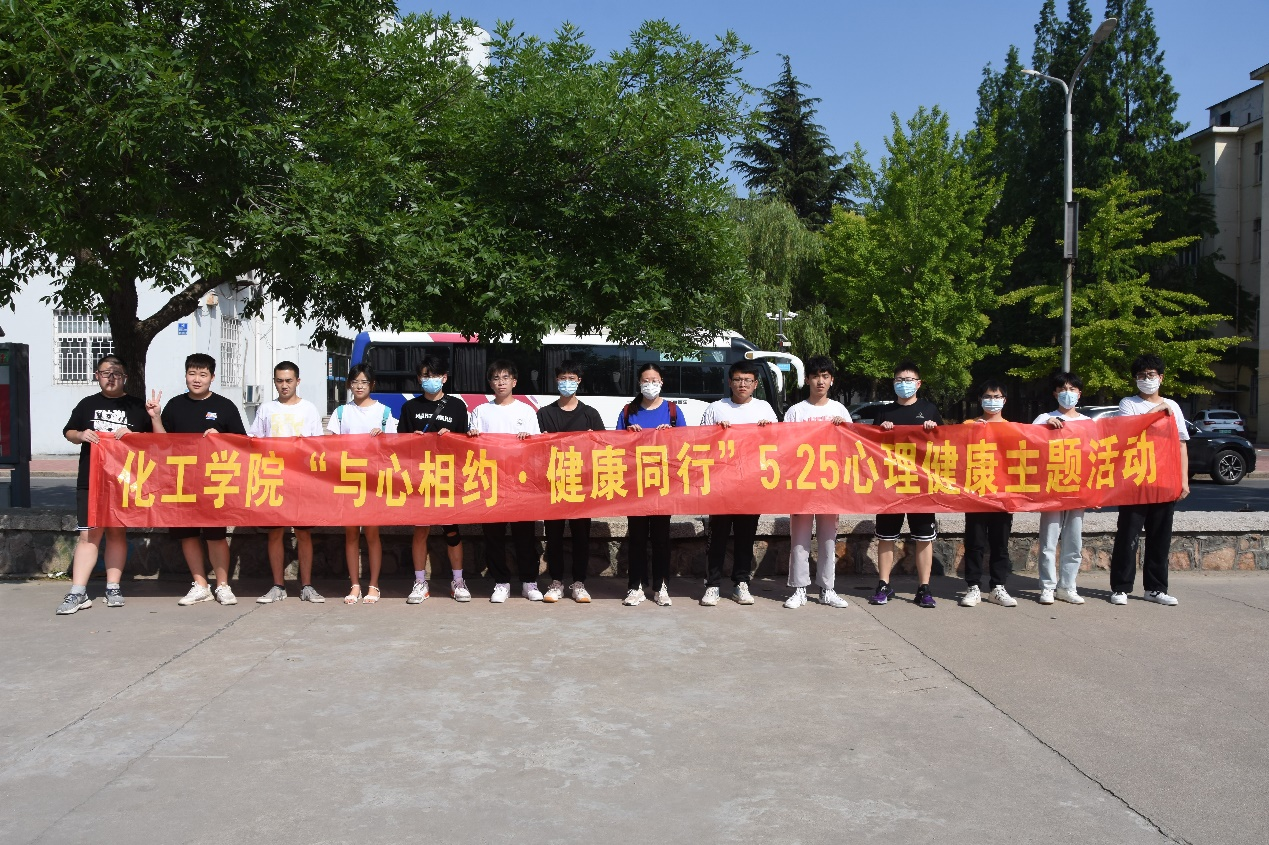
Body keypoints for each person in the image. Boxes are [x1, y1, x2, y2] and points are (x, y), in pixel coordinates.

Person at [56, 356, 165, 615]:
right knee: (89, 535)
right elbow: (69, 431)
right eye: (106, 373)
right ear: (97, 375)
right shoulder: (87, 404)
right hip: (91, 480)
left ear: (125, 377)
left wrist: (144, 427)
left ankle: (113, 587)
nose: (111, 377)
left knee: (117, 533)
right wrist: (81, 435)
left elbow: (160, 441)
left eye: (116, 373)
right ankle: (78, 592)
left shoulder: (137, 406)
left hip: (123, 482)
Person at [162, 353, 247, 607]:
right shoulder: (174, 406)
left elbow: (242, 442)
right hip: (182, 481)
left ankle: (223, 585)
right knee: (187, 535)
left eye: (202, 374)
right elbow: (160, 442)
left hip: (214, 482)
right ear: (186, 376)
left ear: (212, 377)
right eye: (192, 374)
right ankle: (200, 585)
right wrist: (155, 417)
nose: (196, 379)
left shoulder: (225, 406)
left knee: (215, 535)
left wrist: (221, 437)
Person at [1109, 354, 1190, 606]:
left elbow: (1181, 444)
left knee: (1160, 537)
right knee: (1128, 535)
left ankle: (1155, 588)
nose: (1146, 379)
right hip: (1135, 480)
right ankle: (1121, 587)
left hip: (1164, 479)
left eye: (1151, 374)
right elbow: (1129, 431)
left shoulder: (1173, 406)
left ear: (1161, 377)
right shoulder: (1128, 404)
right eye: (1141, 375)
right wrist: (1156, 411)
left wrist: (1184, 480)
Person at [700, 360, 777, 606]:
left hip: (751, 484)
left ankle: (741, 583)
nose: (742, 384)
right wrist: (715, 432)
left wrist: (768, 430)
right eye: (737, 379)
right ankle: (712, 585)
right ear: (730, 382)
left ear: (755, 384)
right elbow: (700, 443)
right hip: (721, 484)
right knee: (717, 537)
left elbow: (778, 443)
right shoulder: (716, 408)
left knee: (746, 537)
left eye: (747, 380)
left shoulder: (764, 409)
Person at [248, 361, 325, 605]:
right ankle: (278, 585)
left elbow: (319, 446)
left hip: (301, 480)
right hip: (273, 478)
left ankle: (307, 586)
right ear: (274, 382)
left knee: (303, 533)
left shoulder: (309, 409)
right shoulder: (266, 409)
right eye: (279, 380)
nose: (284, 385)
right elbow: (254, 442)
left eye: (289, 381)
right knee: (275, 533)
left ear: (297, 381)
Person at [398, 355, 472, 603]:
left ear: (445, 378)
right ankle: (420, 582)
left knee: (452, 532)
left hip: (448, 479)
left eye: (435, 375)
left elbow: (466, 446)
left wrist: (453, 437)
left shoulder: (457, 406)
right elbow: (399, 446)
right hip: (420, 480)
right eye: (425, 375)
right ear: (419, 379)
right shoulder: (410, 408)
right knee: (421, 531)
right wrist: (413, 439)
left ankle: (458, 581)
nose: (430, 379)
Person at [869, 361, 942, 609]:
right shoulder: (884, 412)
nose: (904, 384)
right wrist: (881, 431)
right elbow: (870, 447)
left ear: (918, 384)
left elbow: (946, 445)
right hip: (891, 485)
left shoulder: (929, 410)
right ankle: (883, 584)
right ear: (893, 383)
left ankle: (924, 588)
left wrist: (934, 431)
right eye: (899, 380)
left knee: (924, 537)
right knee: (886, 537)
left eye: (909, 380)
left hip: (921, 485)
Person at [468, 359, 541, 603]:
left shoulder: (526, 411)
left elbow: (537, 446)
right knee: (494, 535)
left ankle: (529, 582)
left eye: (506, 378)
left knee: (525, 535)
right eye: (496, 378)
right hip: (491, 482)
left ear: (514, 382)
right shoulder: (480, 411)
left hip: (521, 482)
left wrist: (527, 439)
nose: (501, 382)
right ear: (490, 383)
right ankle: (501, 583)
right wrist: (472, 436)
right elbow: (472, 447)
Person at [782, 356, 852, 609]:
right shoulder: (796, 411)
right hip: (801, 485)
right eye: (815, 376)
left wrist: (842, 429)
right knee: (799, 539)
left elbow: (852, 445)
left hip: (830, 485)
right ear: (807, 380)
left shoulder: (839, 410)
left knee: (828, 539)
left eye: (825, 376)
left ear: (831, 380)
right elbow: (783, 446)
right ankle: (799, 589)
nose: (820, 381)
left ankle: (827, 589)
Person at [325, 363, 397, 605]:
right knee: (351, 534)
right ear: (349, 384)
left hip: (374, 481)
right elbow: (329, 446)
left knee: (373, 533)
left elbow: (395, 447)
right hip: (348, 480)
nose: (359, 386)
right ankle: (354, 584)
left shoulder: (384, 412)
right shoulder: (341, 413)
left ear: (372, 385)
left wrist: (383, 438)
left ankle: (374, 585)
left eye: (364, 382)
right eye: (355, 382)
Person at [616, 362, 686, 607]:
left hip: (663, 485)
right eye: (646, 381)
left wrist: (671, 434)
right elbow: (615, 447)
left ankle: (660, 586)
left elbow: (685, 445)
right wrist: (628, 435)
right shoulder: (628, 411)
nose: (650, 385)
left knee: (661, 538)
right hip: (635, 485)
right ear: (639, 383)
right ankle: (635, 586)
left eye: (654, 380)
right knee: (636, 538)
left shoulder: (672, 411)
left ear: (662, 382)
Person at [537, 360, 605, 603]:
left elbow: (605, 449)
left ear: (579, 381)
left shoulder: (590, 414)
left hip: (581, 485)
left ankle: (579, 583)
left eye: (572, 379)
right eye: (563, 378)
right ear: (556, 381)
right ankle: (556, 581)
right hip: (553, 485)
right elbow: (533, 452)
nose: (567, 383)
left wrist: (593, 440)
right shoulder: (544, 414)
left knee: (581, 536)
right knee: (554, 535)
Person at [1032, 371, 1092, 605]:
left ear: (1079, 393)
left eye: (1072, 389)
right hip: (1052, 487)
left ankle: (1067, 586)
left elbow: (1095, 456)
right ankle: (1047, 586)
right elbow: (1029, 441)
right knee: (1049, 540)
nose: (1068, 393)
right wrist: (1045, 426)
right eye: (1063, 389)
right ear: (1055, 393)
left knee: (1074, 540)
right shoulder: (1044, 418)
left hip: (1077, 487)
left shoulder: (1087, 423)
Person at [959, 380, 1017, 608]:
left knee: (1000, 544)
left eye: (996, 397)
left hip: (1002, 495)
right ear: (980, 400)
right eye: (987, 397)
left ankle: (997, 587)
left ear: (1004, 400)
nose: (992, 401)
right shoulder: (968, 424)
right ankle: (973, 586)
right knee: (975, 542)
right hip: (976, 493)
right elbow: (956, 452)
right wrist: (970, 432)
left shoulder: (1013, 429)